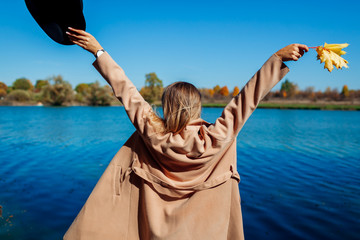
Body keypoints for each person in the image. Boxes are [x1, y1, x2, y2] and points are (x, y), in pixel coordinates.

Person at [64, 27, 308, 240]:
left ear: (168, 107)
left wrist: (99, 51)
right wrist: (276, 59)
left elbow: (125, 90)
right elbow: (247, 99)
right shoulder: (218, 137)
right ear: (197, 107)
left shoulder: (152, 133)